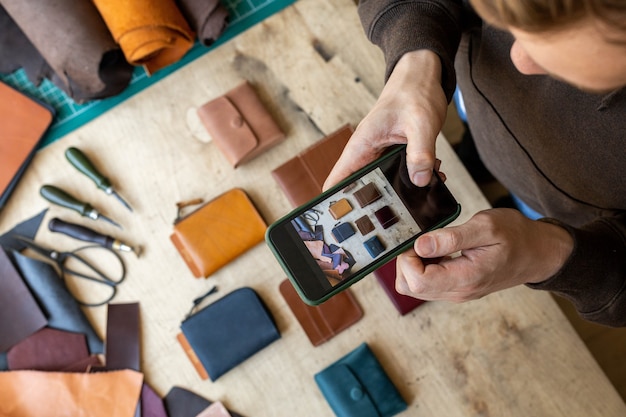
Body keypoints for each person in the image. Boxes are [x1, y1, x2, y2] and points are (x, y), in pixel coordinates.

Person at [324, 0, 626, 326]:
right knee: (472, 157)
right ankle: (480, 160)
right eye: (510, 25)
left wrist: (547, 253)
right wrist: (415, 60)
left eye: (571, 60)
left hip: (570, 213)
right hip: (484, 124)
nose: (518, 60)